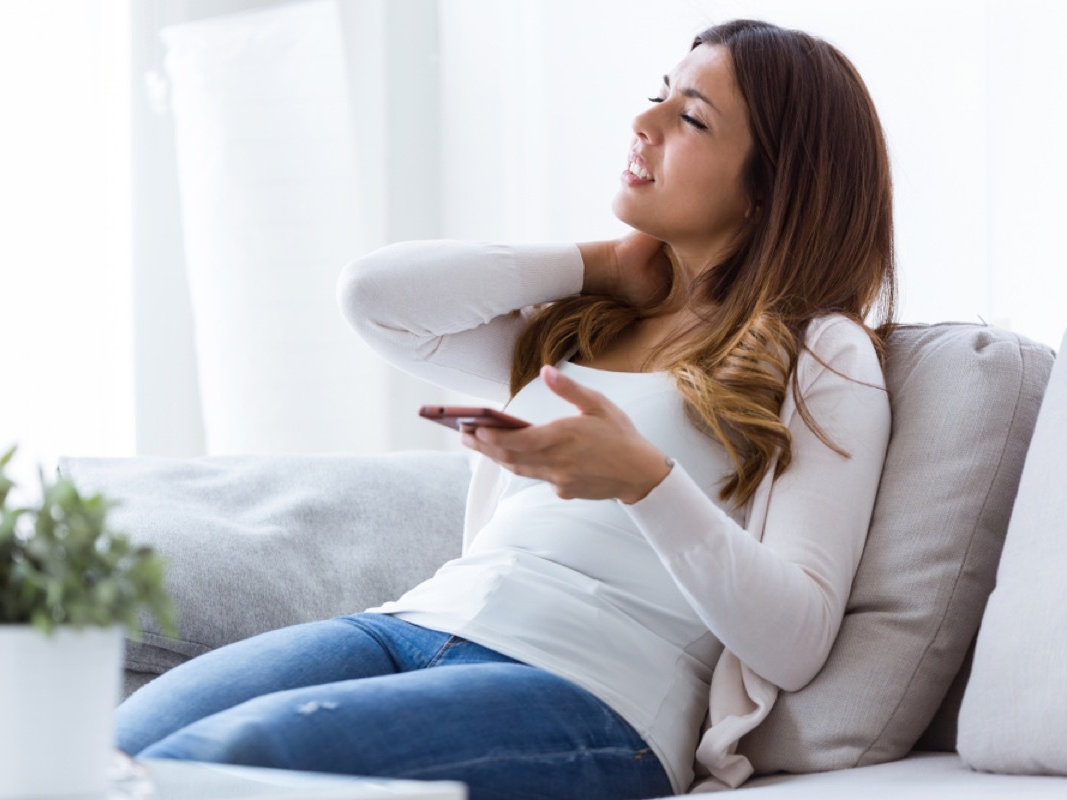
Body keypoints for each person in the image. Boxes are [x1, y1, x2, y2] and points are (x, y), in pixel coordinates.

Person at [114, 19, 894, 799]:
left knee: (227, 756)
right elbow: (373, 298)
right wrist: (598, 265)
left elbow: (797, 639)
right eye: (657, 94)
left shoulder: (822, 353)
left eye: (690, 117)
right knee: (111, 742)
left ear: (770, 190)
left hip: (591, 690)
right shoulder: (588, 325)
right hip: (414, 624)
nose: (643, 120)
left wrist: (646, 482)